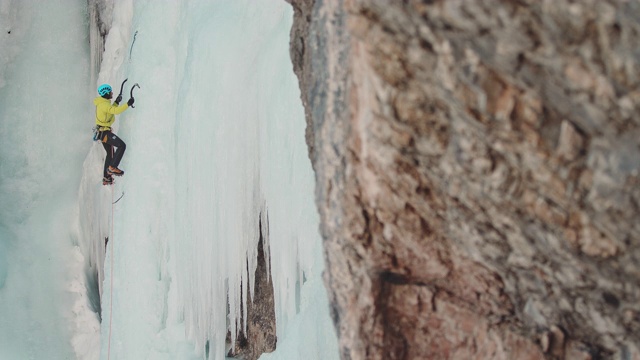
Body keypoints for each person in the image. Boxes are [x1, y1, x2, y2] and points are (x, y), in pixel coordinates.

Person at [94, 83, 135, 185]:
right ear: (107, 93)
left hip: (102, 133)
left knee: (110, 153)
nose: (112, 93)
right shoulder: (103, 104)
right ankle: (112, 168)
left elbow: (110, 111)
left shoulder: (103, 103)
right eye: (111, 91)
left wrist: (116, 102)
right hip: (104, 133)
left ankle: (106, 177)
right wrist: (127, 104)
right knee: (121, 145)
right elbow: (115, 111)